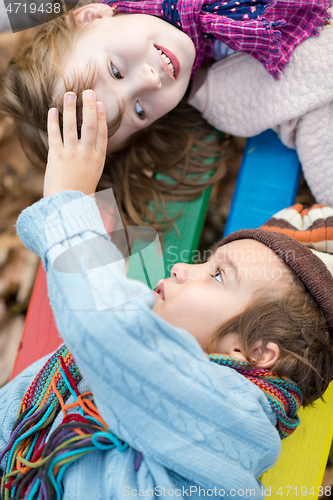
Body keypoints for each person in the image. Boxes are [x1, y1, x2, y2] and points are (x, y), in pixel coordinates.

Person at [0, 93, 333, 500]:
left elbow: (111, 326)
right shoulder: (103, 378)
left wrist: (69, 205)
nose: (181, 267)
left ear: (254, 353)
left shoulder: (230, 414)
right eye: (205, 263)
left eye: (217, 276)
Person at [0, 1, 331, 229]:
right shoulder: (236, 96)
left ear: (91, 16)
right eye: (140, 110)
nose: (150, 80)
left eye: (115, 71)